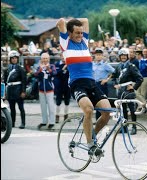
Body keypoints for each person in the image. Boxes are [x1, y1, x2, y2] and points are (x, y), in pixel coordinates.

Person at [56, 17, 112, 155]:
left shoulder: (85, 42)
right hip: (77, 84)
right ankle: (90, 145)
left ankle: (91, 134)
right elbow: (61, 22)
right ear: (69, 33)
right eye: (77, 33)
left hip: (91, 83)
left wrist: (77, 24)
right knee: (89, 110)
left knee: (107, 112)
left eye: (82, 33)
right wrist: (69, 23)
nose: (80, 35)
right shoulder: (66, 43)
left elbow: (86, 20)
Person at [111, 48, 143, 135]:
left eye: (125, 56)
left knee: (132, 109)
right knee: (123, 110)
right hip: (121, 91)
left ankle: (134, 127)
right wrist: (114, 84)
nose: (123, 57)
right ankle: (125, 127)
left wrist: (133, 87)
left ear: (127, 56)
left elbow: (140, 78)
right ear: (120, 57)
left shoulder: (131, 66)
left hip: (129, 90)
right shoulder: (118, 66)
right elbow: (113, 76)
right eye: (122, 56)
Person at [3, 50, 27, 129]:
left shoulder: (20, 68)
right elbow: (6, 82)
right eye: (12, 58)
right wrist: (5, 93)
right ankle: (12, 123)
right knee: (12, 108)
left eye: (15, 58)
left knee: (21, 108)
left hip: (18, 89)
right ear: (10, 59)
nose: (14, 59)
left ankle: (23, 123)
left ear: (18, 59)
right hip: (10, 90)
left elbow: (24, 80)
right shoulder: (7, 69)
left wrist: (23, 91)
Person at [34, 53, 57, 129]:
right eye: (43, 58)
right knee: (43, 107)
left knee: (51, 107)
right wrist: (40, 70)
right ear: (41, 59)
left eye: (46, 58)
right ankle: (44, 121)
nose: (45, 60)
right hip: (41, 90)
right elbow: (35, 75)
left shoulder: (52, 66)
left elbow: (54, 73)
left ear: (49, 59)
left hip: (49, 90)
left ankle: (52, 122)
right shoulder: (39, 67)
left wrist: (48, 69)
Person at [92, 48, 115, 120]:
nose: (98, 56)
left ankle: (104, 121)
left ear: (102, 56)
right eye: (97, 55)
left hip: (102, 85)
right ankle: (97, 121)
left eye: (100, 55)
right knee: (96, 104)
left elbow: (114, 72)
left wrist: (106, 79)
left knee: (103, 104)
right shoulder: (92, 64)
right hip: (94, 85)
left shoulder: (105, 65)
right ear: (95, 56)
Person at [54, 52, 71, 123]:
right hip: (59, 86)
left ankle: (66, 115)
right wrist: (63, 69)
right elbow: (55, 73)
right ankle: (57, 115)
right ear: (60, 56)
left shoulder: (70, 64)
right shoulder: (57, 64)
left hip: (67, 85)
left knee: (67, 101)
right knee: (58, 101)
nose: (64, 58)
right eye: (63, 56)